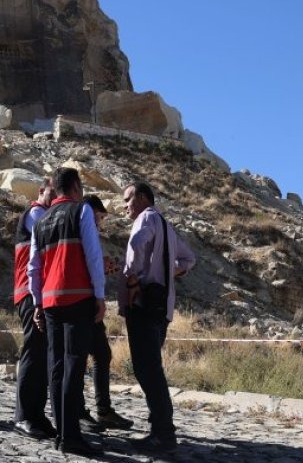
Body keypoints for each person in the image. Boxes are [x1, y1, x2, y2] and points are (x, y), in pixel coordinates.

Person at [27, 167, 105, 457]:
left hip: (49, 303)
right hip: (77, 298)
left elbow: (33, 268)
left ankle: (61, 433)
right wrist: (99, 294)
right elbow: (93, 255)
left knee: (56, 367)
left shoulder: (41, 220)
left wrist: (37, 302)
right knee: (74, 364)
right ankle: (71, 435)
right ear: (75, 187)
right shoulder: (81, 212)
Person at [119, 181, 196, 453]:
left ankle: (163, 433)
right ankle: (160, 428)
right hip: (162, 308)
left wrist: (133, 279)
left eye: (127, 199)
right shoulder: (167, 226)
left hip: (142, 305)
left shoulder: (145, 219)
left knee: (147, 369)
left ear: (141, 197)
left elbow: (137, 246)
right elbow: (188, 259)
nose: (124, 206)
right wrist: (164, 272)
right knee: (151, 367)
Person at [77, 195, 133, 430]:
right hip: (83, 301)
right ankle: (80, 412)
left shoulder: (84, 227)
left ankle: (102, 410)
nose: (102, 222)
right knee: (81, 358)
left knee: (100, 354)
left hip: (87, 299)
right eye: (100, 216)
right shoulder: (82, 225)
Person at [11, 180, 59, 439]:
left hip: (38, 292)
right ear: (41, 192)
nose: (54, 198)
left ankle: (36, 414)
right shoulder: (36, 214)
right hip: (31, 292)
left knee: (41, 353)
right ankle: (24, 416)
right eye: (52, 193)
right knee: (33, 350)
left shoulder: (43, 214)